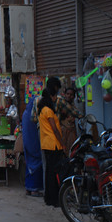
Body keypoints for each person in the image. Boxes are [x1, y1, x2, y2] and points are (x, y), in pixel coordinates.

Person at [38, 77, 64, 207]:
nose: (56, 98)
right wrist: (62, 143)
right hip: (53, 144)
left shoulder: (42, 109)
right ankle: (54, 199)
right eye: (55, 96)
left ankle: (49, 198)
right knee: (54, 174)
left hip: (46, 144)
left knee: (49, 172)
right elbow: (54, 128)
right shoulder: (48, 110)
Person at [22, 96, 43, 197]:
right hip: (34, 144)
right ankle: (34, 189)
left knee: (29, 165)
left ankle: (28, 188)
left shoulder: (25, 114)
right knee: (36, 165)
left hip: (27, 144)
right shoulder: (33, 115)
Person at [59, 87, 82, 156]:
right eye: (67, 94)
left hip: (71, 132)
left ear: (74, 96)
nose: (69, 96)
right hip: (62, 132)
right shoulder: (61, 104)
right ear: (64, 94)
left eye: (71, 94)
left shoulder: (73, 106)